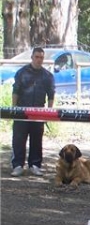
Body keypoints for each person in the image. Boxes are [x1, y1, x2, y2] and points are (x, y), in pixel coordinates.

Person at [11, 47, 55, 177]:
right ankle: (18, 165)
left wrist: (49, 112)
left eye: (41, 57)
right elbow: (15, 91)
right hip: (22, 113)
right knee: (18, 140)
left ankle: (35, 165)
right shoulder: (21, 73)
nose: (39, 60)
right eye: (36, 57)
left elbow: (51, 95)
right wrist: (14, 109)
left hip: (39, 113)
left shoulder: (47, 76)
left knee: (37, 140)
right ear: (32, 57)